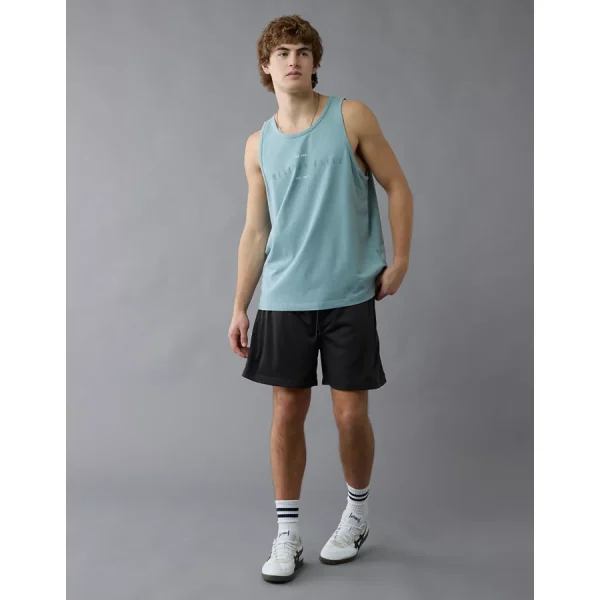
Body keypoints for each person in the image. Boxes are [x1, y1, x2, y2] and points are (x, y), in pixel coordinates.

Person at [228, 14, 413, 583]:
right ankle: (287, 533)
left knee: (350, 414)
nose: (293, 61)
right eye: (282, 53)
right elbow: (256, 230)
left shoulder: (351, 116)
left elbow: (398, 186)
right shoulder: (257, 145)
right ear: (266, 66)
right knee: (286, 412)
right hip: (284, 298)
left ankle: (356, 516)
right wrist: (240, 305)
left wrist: (400, 260)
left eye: (303, 52)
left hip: (347, 293)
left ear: (314, 64)